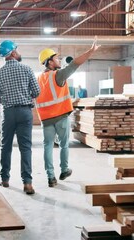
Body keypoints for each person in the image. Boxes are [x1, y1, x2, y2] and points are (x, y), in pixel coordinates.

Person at [36, 38, 100, 187]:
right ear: (50, 62)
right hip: (60, 117)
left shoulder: (39, 78)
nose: (58, 60)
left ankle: (50, 177)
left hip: (46, 119)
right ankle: (64, 169)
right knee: (64, 145)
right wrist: (90, 51)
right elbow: (75, 64)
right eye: (56, 58)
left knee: (48, 146)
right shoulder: (57, 75)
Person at [0, 40, 40, 195]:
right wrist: (25, 95)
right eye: (17, 50)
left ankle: (5, 179)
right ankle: (27, 183)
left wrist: (8, 99)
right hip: (25, 112)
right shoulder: (26, 69)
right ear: (12, 53)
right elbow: (36, 91)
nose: (19, 53)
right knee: (25, 147)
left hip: (8, 113)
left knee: (5, 146)